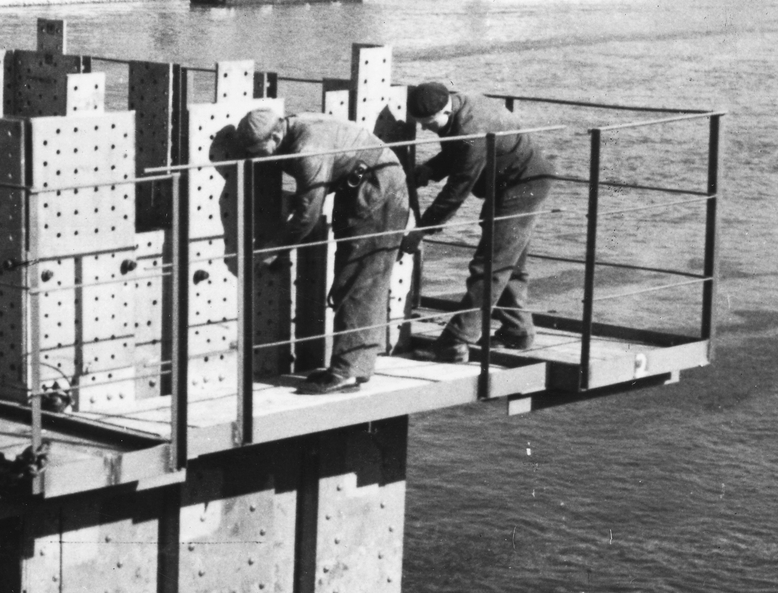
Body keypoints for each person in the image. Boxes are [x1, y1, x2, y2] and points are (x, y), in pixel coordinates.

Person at [234, 107, 412, 394]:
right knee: (354, 279)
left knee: (358, 282)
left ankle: (347, 372)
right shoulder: (297, 128)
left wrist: (275, 249)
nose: (256, 157)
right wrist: (306, 195)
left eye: (258, 150)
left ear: (276, 135)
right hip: (363, 182)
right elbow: (329, 171)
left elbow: (308, 216)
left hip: (378, 191)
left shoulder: (307, 148)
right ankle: (354, 365)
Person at [401, 82, 556, 362]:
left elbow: (459, 186)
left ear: (446, 110)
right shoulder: (459, 106)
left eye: (428, 123)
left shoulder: (472, 128)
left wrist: (422, 229)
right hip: (510, 180)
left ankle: (455, 341)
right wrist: (431, 170)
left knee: (489, 266)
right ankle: (517, 331)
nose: (424, 129)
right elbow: (457, 153)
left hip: (523, 185)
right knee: (508, 263)